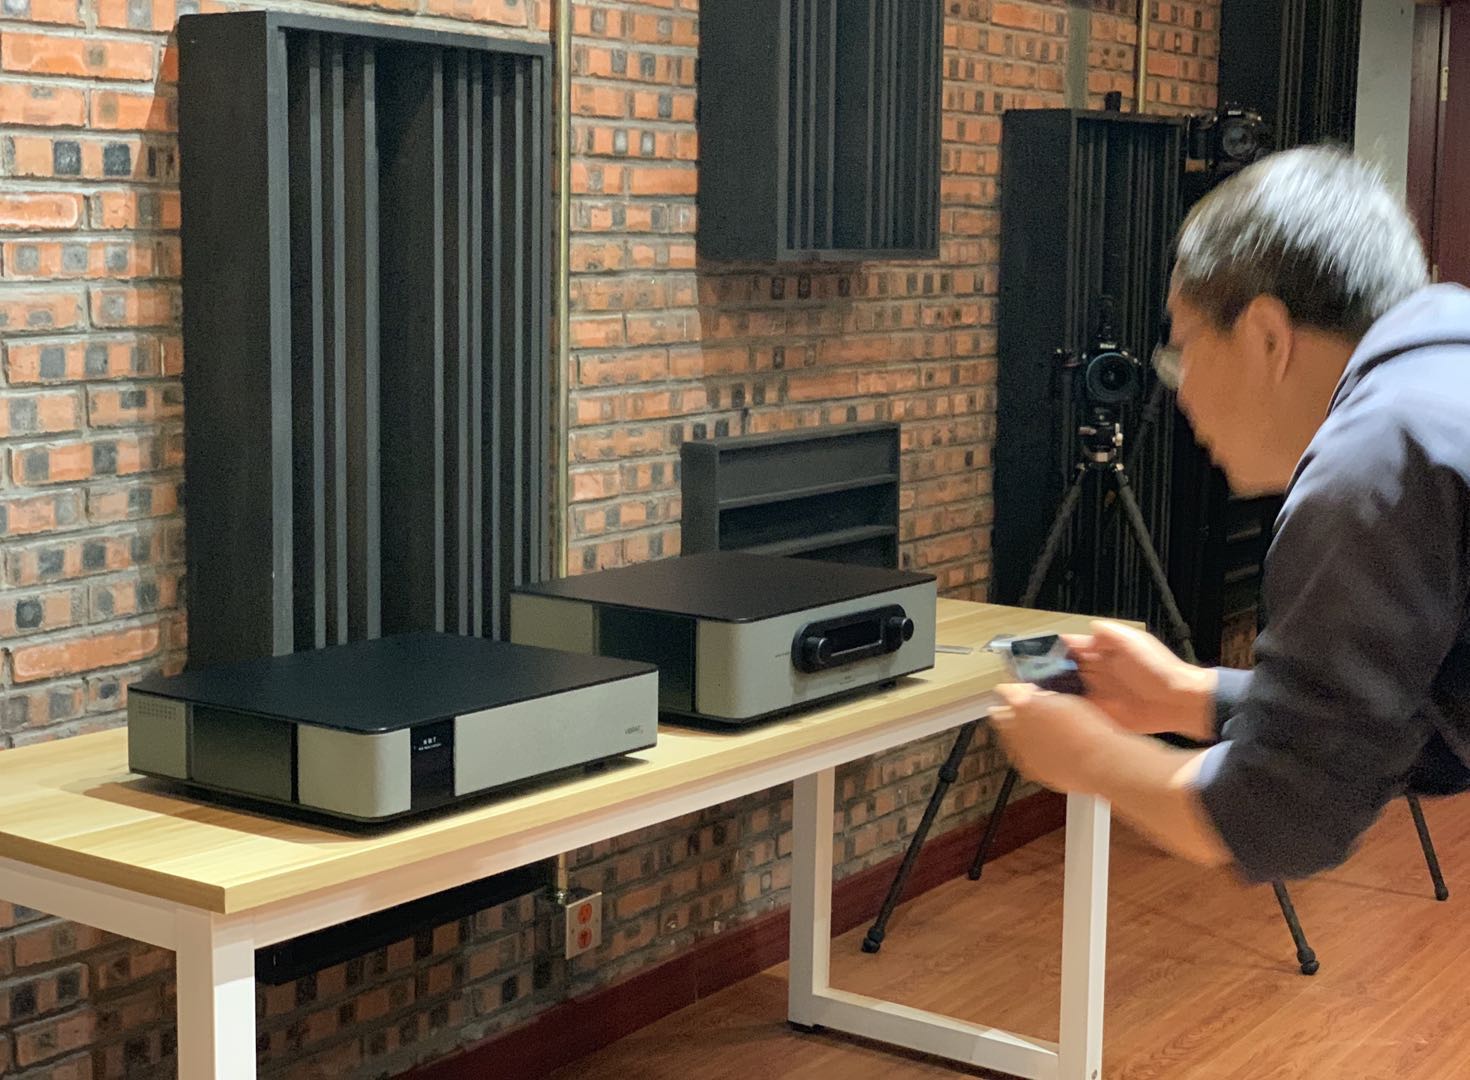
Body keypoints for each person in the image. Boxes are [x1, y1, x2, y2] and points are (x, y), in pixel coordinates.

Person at [989, 146, 1470, 883]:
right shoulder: (1442, 368)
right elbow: (1413, 719)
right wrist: (1189, 696)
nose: (1178, 392)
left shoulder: (1372, 462)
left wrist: (1087, 755)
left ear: (1266, 336)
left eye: (1182, 351)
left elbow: (1281, 816)